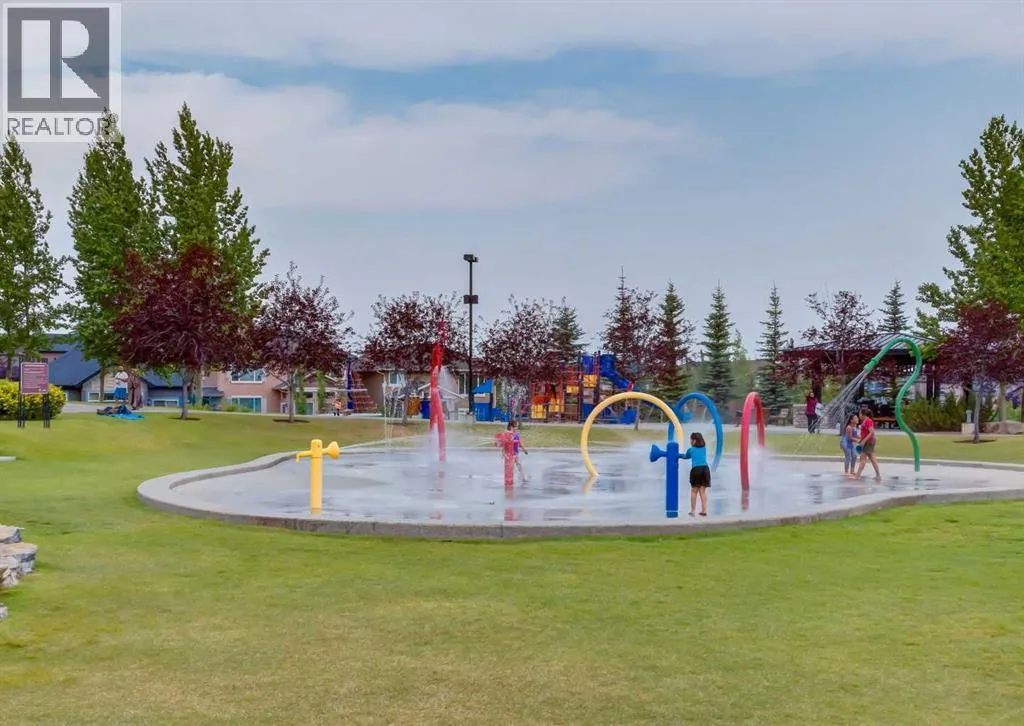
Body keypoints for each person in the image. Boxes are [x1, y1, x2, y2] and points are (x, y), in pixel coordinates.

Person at [682, 432, 711, 517]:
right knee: (702, 491)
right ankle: (704, 510)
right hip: (705, 469)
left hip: (696, 470)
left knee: (694, 491)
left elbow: (685, 457)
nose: (690, 441)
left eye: (691, 439)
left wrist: (678, 455)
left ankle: (693, 511)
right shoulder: (704, 448)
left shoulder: (691, 449)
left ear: (694, 441)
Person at [854, 406, 881, 481]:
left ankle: (858, 476)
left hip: (868, 442)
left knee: (863, 458)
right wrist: (861, 439)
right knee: (871, 458)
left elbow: (871, 432)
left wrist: (864, 441)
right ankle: (878, 475)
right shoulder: (865, 421)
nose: (859, 415)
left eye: (860, 413)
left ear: (863, 414)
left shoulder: (868, 421)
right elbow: (866, 432)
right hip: (868, 441)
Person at [840, 412, 860, 477]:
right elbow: (849, 438)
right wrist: (858, 441)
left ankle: (852, 470)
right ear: (851, 420)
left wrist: (863, 437)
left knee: (854, 455)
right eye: (855, 418)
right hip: (845, 442)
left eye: (857, 418)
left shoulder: (854, 426)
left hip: (850, 443)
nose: (857, 419)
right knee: (848, 456)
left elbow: (856, 435)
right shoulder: (849, 427)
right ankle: (846, 471)